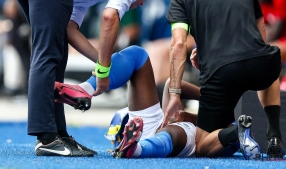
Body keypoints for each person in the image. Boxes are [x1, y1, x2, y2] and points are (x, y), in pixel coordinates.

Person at [9, 0, 156, 157]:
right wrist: (104, 70)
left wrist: (102, 61)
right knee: (48, 51)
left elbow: (69, 29)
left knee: (54, 49)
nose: (143, 1)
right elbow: (110, 17)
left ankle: (58, 134)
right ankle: (47, 139)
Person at [163, 0, 285, 159]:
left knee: (202, 146)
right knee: (269, 67)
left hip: (221, 73)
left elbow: (178, 44)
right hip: (261, 62)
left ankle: (237, 130)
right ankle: (274, 134)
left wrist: (175, 94)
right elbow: (260, 28)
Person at [54, 45, 260, 159]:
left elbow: (207, 147)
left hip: (183, 134)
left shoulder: (237, 103)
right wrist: (204, 97)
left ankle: (137, 149)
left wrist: (200, 115)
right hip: (162, 126)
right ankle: (85, 89)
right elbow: (172, 82)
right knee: (137, 54)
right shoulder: (217, 91)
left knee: (177, 131)